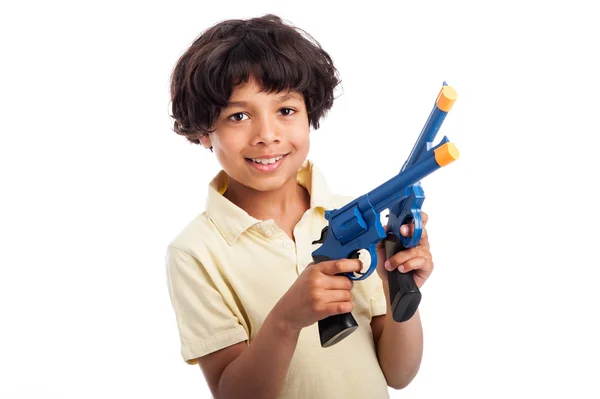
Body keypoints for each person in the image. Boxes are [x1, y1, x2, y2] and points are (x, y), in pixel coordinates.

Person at [165, 14, 435, 399]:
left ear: (311, 113)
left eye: (286, 110)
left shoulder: (352, 218)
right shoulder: (195, 252)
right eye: (238, 116)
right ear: (205, 132)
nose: (267, 135)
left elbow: (399, 372)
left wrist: (400, 287)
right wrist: (286, 320)